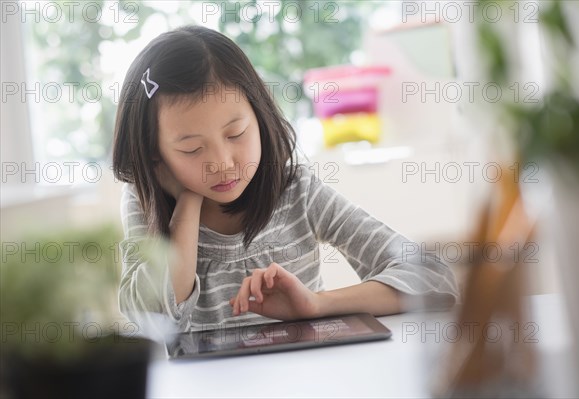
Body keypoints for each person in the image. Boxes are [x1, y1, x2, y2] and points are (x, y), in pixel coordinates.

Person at [112, 25, 459, 331]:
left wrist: (318, 304)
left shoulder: (297, 192)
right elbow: (149, 316)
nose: (222, 163)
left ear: (259, 117)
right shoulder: (144, 200)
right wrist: (186, 207)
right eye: (191, 150)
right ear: (155, 156)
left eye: (236, 134)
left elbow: (434, 278)